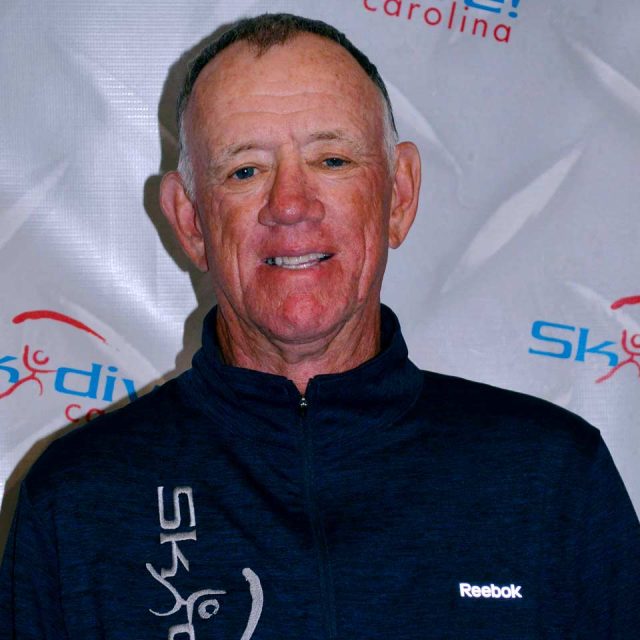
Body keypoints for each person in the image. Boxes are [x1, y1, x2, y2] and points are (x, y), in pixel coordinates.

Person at [1, 13, 638, 639]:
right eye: (244, 170)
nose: (290, 206)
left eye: (331, 159)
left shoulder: (552, 479)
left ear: (400, 195)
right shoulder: (77, 503)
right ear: (192, 221)